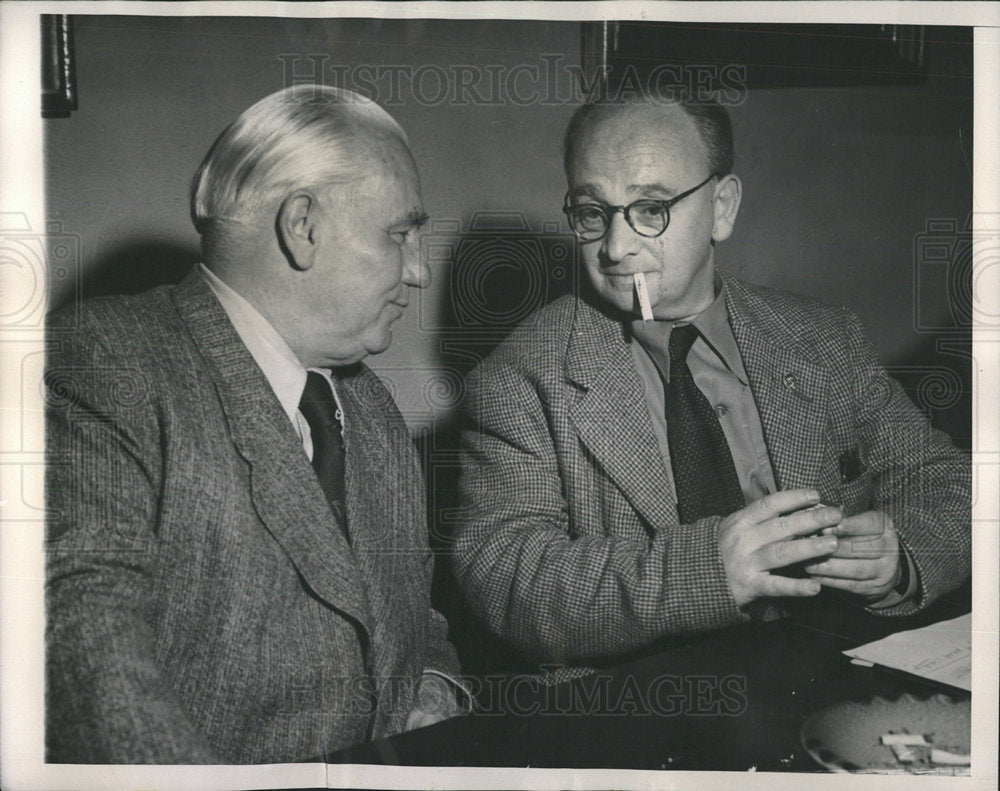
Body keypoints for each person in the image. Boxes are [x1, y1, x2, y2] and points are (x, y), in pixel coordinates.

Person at [453, 92, 971, 679]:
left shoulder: (823, 339)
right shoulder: (522, 377)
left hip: (821, 676)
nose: (616, 249)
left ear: (722, 207)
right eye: (593, 213)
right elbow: (503, 575)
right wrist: (704, 572)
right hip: (636, 713)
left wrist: (900, 558)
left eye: (651, 208)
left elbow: (949, 480)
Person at [45, 85, 466, 764]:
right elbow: (88, 659)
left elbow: (417, 621)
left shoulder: (371, 408)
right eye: (400, 233)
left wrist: (434, 691)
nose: (418, 270)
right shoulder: (101, 365)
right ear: (303, 226)